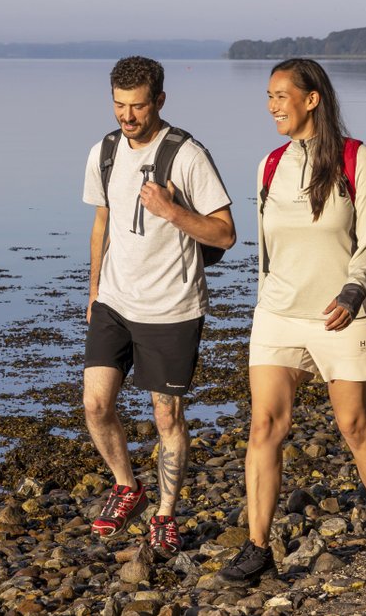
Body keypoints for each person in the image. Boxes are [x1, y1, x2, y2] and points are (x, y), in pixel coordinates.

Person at [218, 57, 366, 587]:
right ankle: (257, 548)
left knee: (353, 424)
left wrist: (353, 290)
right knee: (264, 428)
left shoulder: (355, 158)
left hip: (342, 315)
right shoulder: (269, 165)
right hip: (277, 314)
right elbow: (266, 251)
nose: (272, 105)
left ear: (311, 99)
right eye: (269, 96)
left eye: (281, 95)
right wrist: (262, 305)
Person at [81, 55, 236, 559]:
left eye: (138, 106)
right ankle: (128, 486)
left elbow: (226, 233)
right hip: (114, 301)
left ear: (160, 101)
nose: (127, 116)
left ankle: (165, 515)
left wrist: (172, 210)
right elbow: (102, 224)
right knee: (96, 404)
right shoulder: (103, 151)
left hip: (172, 307)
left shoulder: (187, 154)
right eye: (119, 105)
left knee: (166, 418)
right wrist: (93, 290)